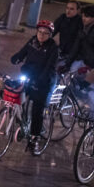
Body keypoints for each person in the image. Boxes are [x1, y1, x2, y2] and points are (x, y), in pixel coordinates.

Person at [10, 20, 58, 154]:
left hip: (45, 81)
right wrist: (16, 58)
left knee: (37, 109)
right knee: (16, 95)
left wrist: (40, 80)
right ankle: (23, 124)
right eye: (40, 32)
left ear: (50, 35)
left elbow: (49, 67)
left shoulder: (53, 48)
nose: (41, 35)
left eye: (45, 33)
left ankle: (35, 138)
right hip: (31, 76)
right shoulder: (32, 41)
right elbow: (22, 52)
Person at [65, 5, 94, 91]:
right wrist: (67, 64)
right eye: (83, 16)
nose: (84, 18)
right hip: (83, 61)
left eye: (87, 16)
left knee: (93, 93)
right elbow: (75, 48)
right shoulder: (82, 29)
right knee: (68, 81)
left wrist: (90, 66)